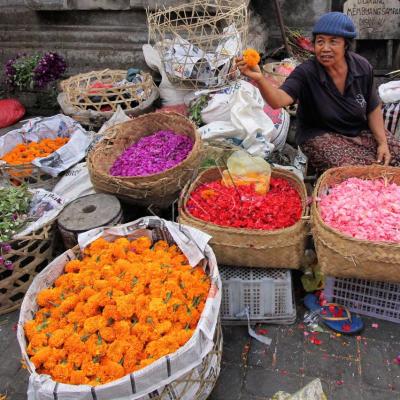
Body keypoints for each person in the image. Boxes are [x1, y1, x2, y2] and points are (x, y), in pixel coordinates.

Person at [236, 12, 400, 171]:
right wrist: (259, 79)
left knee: (394, 155)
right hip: (320, 135)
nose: (325, 48)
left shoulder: (362, 67)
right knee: (353, 170)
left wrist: (382, 143)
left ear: (346, 45)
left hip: (358, 130)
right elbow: (278, 100)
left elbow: (372, 108)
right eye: (320, 42)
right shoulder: (306, 72)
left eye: (333, 42)